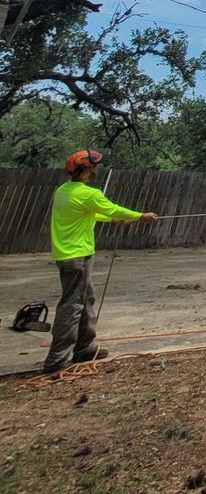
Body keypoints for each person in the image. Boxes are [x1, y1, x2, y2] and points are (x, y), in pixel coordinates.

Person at [43, 148, 158, 375]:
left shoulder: (64, 191)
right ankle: (56, 359)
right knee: (72, 305)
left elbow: (92, 213)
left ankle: (85, 348)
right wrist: (138, 216)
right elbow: (110, 207)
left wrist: (114, 220)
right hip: (77, 256)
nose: (95, 170)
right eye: (92, 167)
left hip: (67, 255)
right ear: (86, 170)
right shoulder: (88, 194)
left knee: (86, 298)